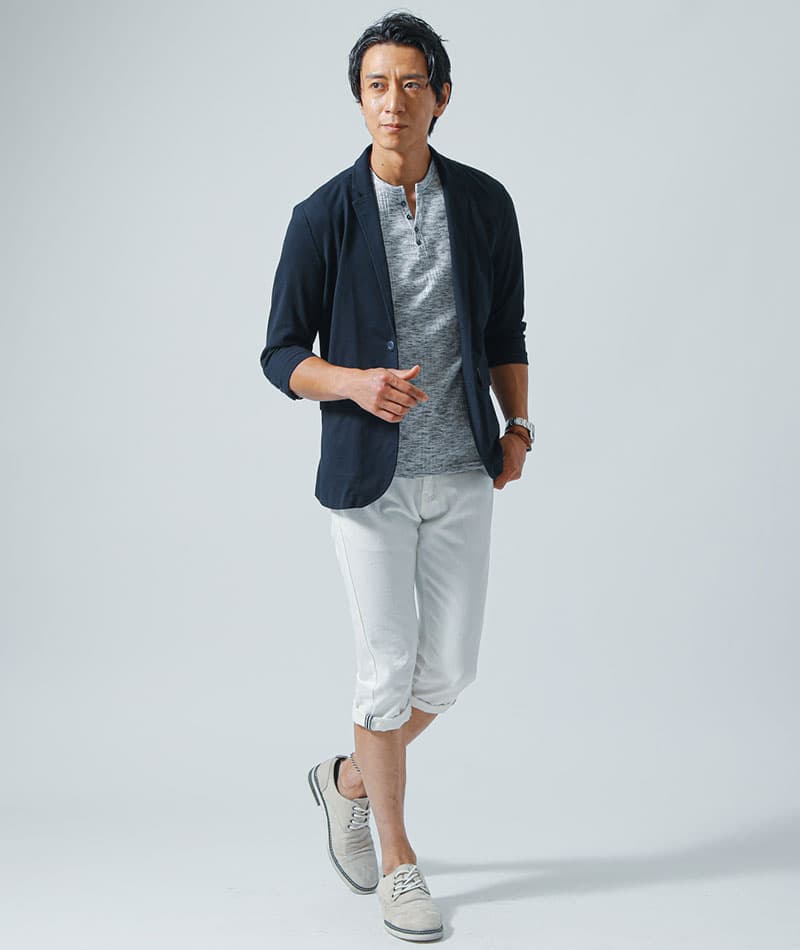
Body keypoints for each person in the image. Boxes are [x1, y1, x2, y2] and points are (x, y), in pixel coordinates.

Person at [259, 11, 534, 943]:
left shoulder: (485, 203)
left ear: (441, 96)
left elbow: (506, 330)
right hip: (368, 482)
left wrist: (519, 424)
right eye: (377, 85)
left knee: (448, 672)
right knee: (384, 673)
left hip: (461, 467)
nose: (393, 102)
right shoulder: (322, 216)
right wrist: (354, 383)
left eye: (411, 84)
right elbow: (280, 354)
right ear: (359, 99)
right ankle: (398, 856)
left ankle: (343, 779)